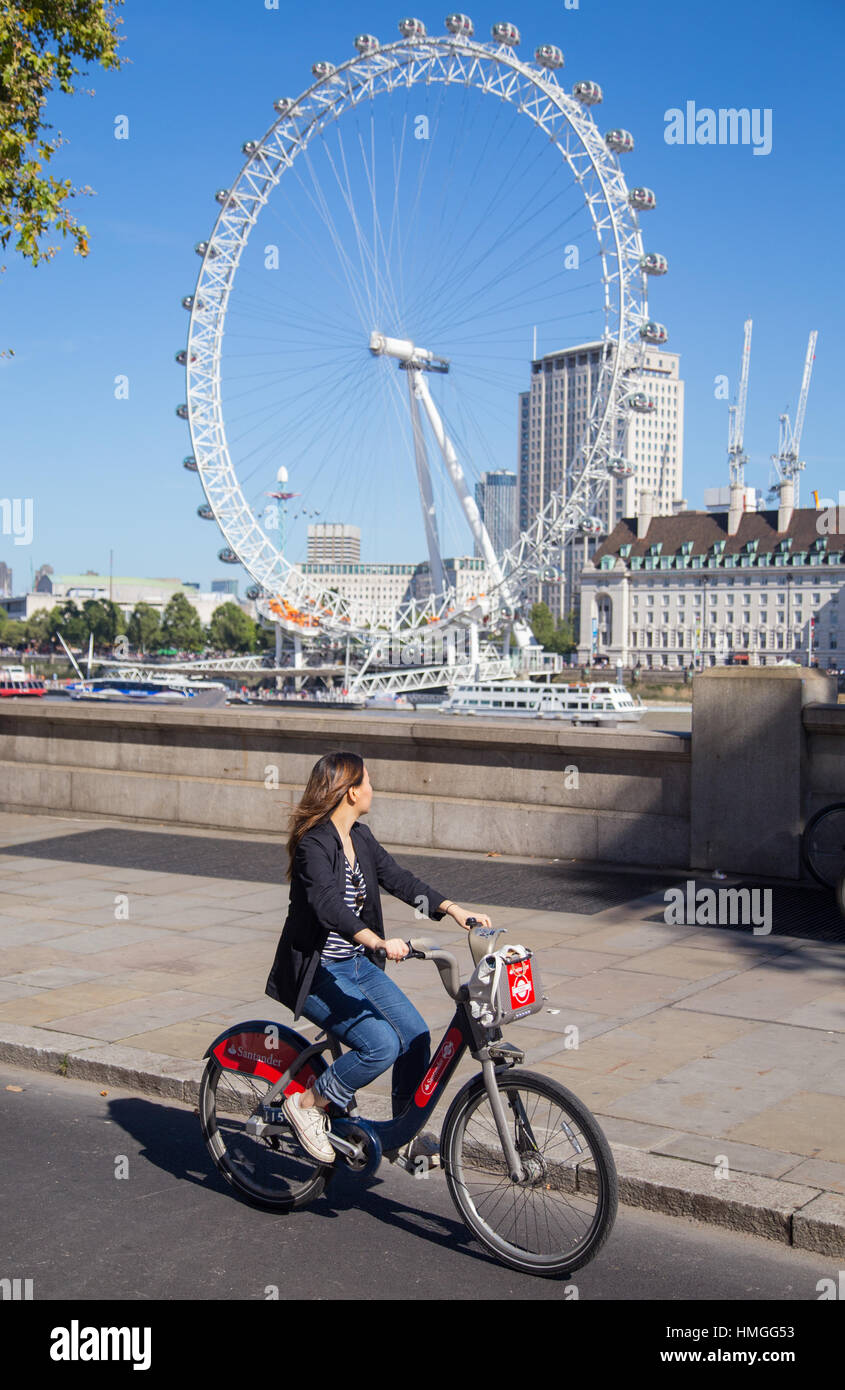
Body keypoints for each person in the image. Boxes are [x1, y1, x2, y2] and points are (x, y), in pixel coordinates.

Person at [265, 751, 491, 1165]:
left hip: (356, 966)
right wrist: (377, 941)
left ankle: (401, 1131)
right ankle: (307, 1105)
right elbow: (327, 905)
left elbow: (399, 879)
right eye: (368, 781)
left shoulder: (361, 837)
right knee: (381, 1045)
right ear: (351, 792)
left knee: (416, 1036)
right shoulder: (313, 844)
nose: (373, 788)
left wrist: (454, 910)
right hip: (317, 972)